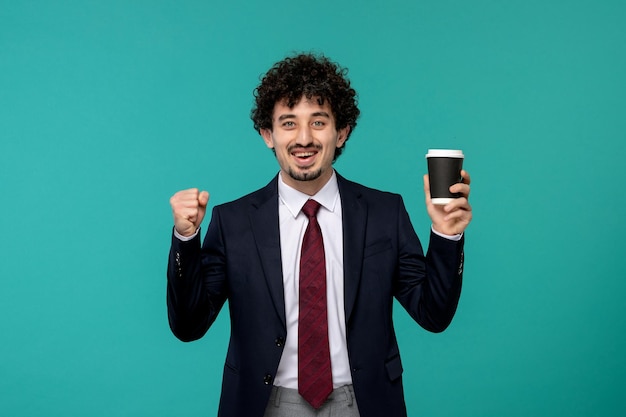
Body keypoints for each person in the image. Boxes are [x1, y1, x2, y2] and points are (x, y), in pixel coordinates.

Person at [167, 53, 472, 417]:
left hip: (363, 403)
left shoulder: (384, 213)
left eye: (318, 122)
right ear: (268, 134)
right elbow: (189, 325)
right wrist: (186, 238)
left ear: (340, 131)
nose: (304, 138)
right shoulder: (233, 222)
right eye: (289, 123)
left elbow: (433, 314)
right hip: (266, 404)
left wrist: (445, 234)